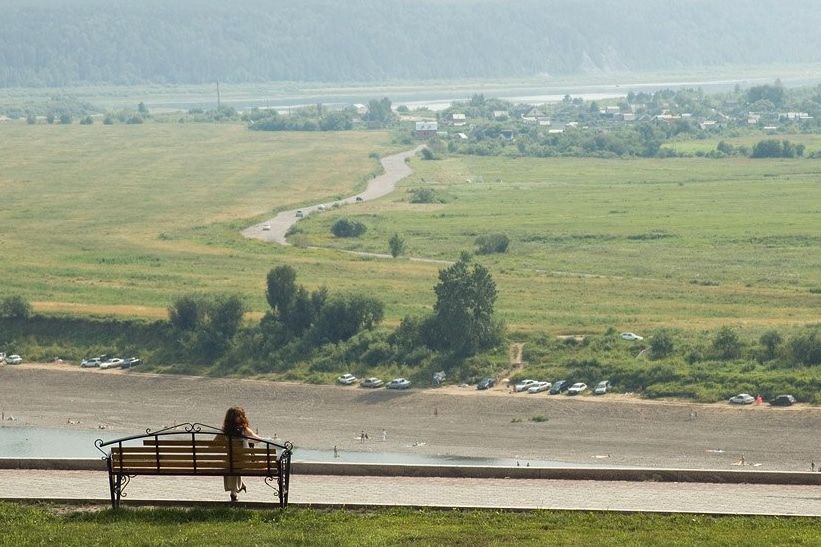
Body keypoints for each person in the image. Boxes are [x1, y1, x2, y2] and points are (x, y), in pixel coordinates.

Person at [221, 406, 263, 502]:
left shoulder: (224, 431)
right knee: (234, 464)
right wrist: (246, 440)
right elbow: (259, 440)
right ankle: (236, 490)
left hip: (230, 462)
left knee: (230, 464)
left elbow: (213, 445)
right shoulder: (245, 430)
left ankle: (234, 492)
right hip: (244, 461)